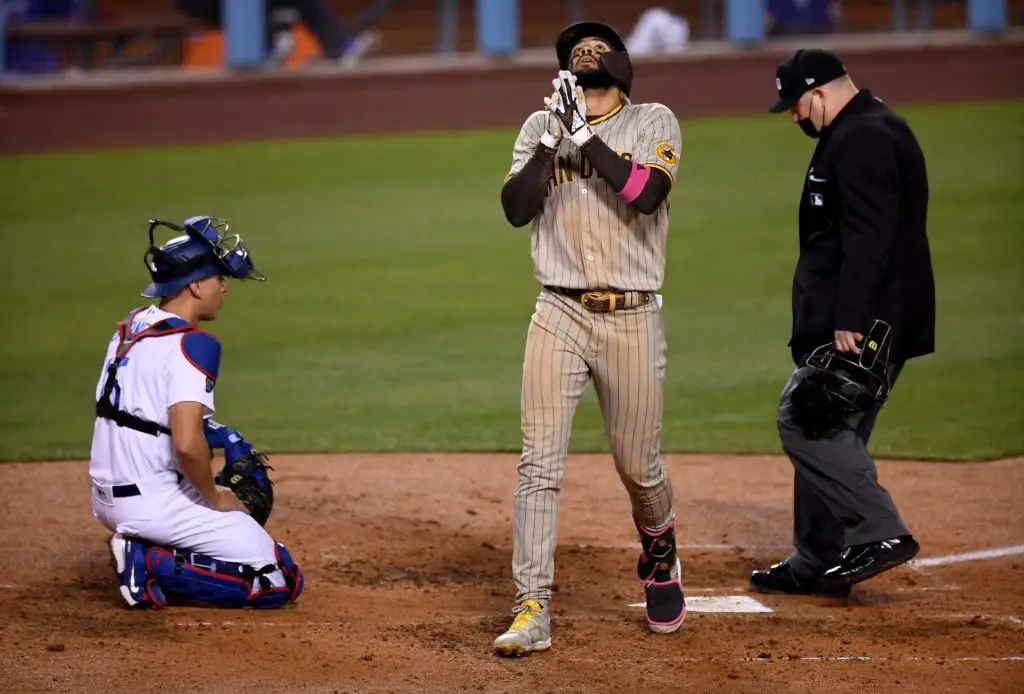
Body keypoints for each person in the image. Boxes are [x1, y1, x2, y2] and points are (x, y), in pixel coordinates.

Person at [494, 21, 686, 657]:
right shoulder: (536, 128)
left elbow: (645, 194)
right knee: (538, 464)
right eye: (576, 60)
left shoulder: (655, 122)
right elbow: (516, 207)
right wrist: (554, 138)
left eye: (596, 57)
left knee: (638, 465)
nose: (585, 64)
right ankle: (531, 604)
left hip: (631, 317)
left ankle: (659, 547)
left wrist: (585, 138)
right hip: (558, 312)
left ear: (621, 70)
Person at [750, 49, 935, 598]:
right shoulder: (865, 126)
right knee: (830, 427)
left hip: (864, 320)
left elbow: (869, 235)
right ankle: (817, 561)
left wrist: (851, 317)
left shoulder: (864, 137)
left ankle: (879, 531)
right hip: (866, 312)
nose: (794, 117)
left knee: (804, 417)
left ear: (821, 92)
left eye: (797, 105)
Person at [91, 215, 304, 610]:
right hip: (150, 503)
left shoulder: (129, 327)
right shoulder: (195, 345)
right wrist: (213, 495)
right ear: (194, 285)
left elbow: (145, 413)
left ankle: (146, 544)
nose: (223, 287)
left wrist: (223, 436)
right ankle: (148, 562)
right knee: (278, 578)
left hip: (107, 495)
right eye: (216, 277)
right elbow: (187, 446)